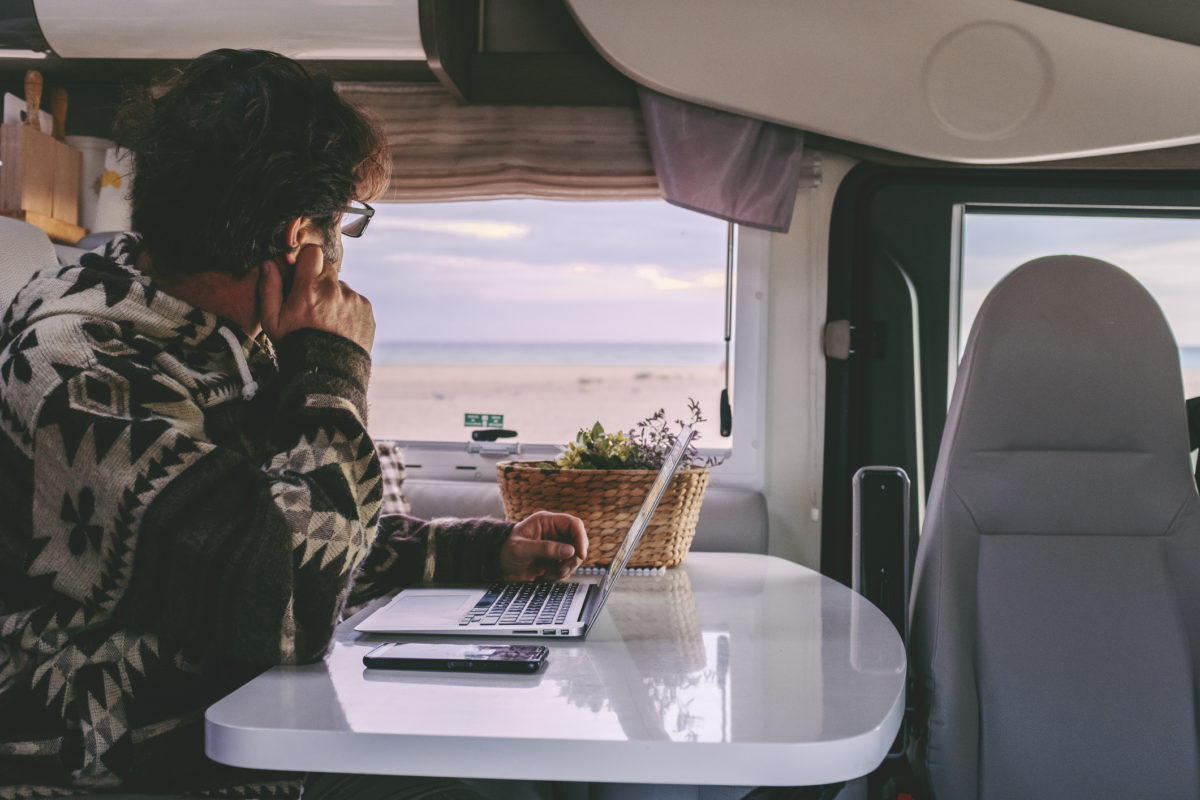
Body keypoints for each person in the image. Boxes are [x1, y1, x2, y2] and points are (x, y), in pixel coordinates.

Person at [0, 49, 586, 799]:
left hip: (231, 734)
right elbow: (282, 606)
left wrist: (481, 552)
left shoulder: (208, 344)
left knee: (521, 773)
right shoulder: (80, 372)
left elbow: (288, 534)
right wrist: (331, 370)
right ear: (300, 235)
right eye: (344, 223)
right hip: (137, 770)